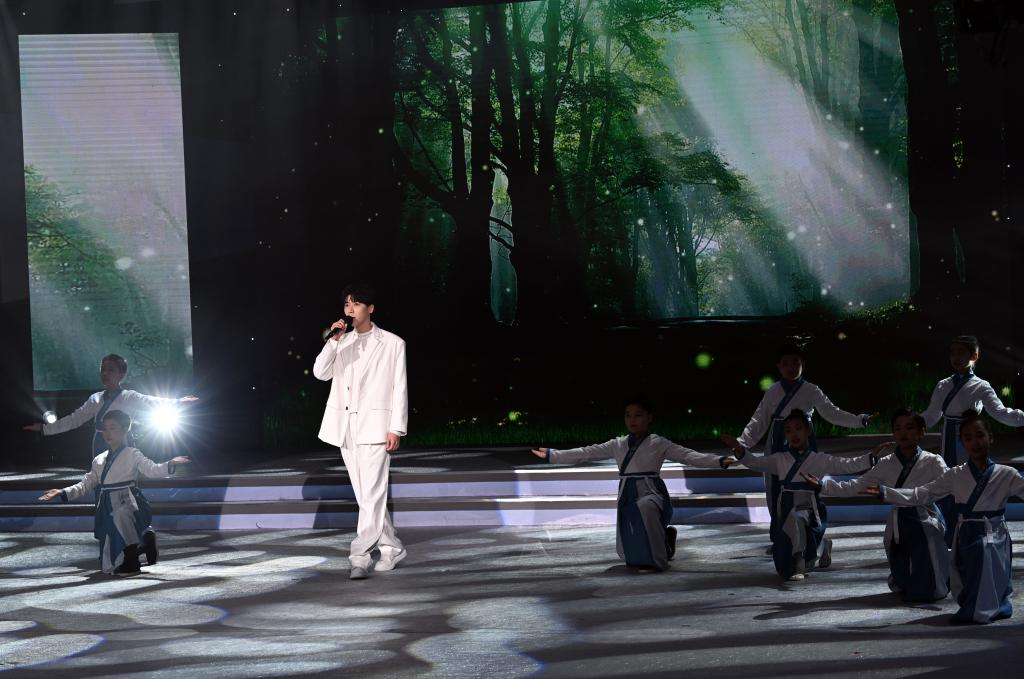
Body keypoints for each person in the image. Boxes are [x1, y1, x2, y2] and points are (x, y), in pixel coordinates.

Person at [532, 397, 735, 573]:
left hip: (651, 490)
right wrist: (552, 455)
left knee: (645, 508)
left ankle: (658, 561)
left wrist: (718, 461)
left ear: (649, 417)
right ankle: (664, 543)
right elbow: (587, 452)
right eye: (628, 415)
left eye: (638, 415)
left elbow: (688, 456)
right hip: (627, 492)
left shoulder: (658, 443)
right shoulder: (618, 444)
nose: (632, 420)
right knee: (634, 538)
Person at [865, 410, 1024, 624]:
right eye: (968, 438)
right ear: (962, 443)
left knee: (982, 549)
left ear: (990, 438)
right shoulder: (956, 474)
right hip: (965, 533)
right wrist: (887, 493)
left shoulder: (1007, 474)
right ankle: (980, 605)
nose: (975, 442)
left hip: (993, 533)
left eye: (980, 435)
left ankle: (981, 610)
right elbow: (922, 494)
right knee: (972, 563)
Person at [722, 344, 875, 551]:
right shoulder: (773, 391)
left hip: (804, 443)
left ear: (803, 365)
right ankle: (781, 540)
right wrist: (740, 446)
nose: (791, 368)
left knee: (808, 489)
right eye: (786, 364)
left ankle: (813, 537)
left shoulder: (812, 390)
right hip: (777, 442)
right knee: (776, 491)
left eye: (795, 363)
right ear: (778, 367)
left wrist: (859, 420)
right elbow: (758, 421)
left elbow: (832, 413)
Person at [802, 409, 949, 602]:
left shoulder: (933, 461)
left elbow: (948, 485)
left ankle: (928, 587)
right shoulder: (887, 463)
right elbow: (855, 486)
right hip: (898, 522)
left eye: (909, 427)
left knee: (926, 572)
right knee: (901, 569)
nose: (903, 433)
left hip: (925, 518)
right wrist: (823, 486)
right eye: (898, 428)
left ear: (921, 432)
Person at [313, 284, 408, 580]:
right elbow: (320, 373)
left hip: (376, 427)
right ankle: (391, 547)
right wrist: (332, 342)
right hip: (346, 427)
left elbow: (399, 387)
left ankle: (359, 556)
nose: (350, 309)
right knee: (367, 497)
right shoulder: (342, 342)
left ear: (371, 308)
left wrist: (396, 427)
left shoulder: (393, 343)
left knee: (373, 494)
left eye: (356, 304)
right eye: (347, 304)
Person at [723, 410, 875, 581]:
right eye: (788, 430)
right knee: (783, 567)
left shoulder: (820, 459)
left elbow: (847, 465)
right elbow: (756, 463)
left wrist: (871, 458)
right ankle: (822, 545)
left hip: (810, 507)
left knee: (797, 519)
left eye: (798, 428)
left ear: (808, 431)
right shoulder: (780, 459)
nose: (794, 434)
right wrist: (738, 448)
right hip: (786, 506)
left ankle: (799, 561)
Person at [38, 410, 190, 576]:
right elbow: (86, 484)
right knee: (109, 561)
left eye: (113, 428)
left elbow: (152, 469)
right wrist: (62, 491)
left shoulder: (132, 453)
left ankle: (132, 560)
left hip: (128, 500)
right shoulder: (99, 459)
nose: (107, 433)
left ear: (125, 429)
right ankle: (145, 541)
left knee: (121, 516)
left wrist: (169, 464)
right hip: (106, 504)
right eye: (105, 428)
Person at [920, 335, 1024, 545]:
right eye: (953, 353)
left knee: (970, 484)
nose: (956, 357)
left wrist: (1021, 417)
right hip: (949, 439)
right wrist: (913, 423)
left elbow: (1000, 413)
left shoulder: (981, 386)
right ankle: (949, 538)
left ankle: (972, 533)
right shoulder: (943, 385)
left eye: (961, 352)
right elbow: (931, 416)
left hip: (969, 440)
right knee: (948, 484)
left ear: (974, 356)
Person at [23, 353, 197, 462]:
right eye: (103, 369)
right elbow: (74, 419)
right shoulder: (95, 398)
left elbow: (152, 401)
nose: (105, 373)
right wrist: (45, 428)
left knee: (125, 479)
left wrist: (178, 401)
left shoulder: (129, 396)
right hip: (100, 442)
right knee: (102, 479)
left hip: (123, 441)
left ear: (121, 374)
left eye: (111, 370)